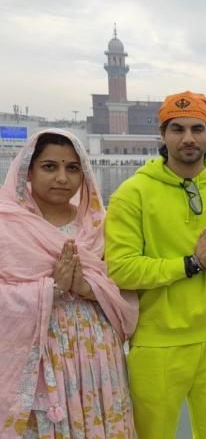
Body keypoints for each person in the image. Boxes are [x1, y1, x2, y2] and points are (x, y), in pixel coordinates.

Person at [105, 91, 206, 438]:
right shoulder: (133, 194)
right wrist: (189, 264)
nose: (188, 138)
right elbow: (122, 268)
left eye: (197, 128)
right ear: (162, 134)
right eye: (177, 129)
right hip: (156, 342)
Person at [0, 129, 138, 437]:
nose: (62, 177)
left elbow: (125, 285)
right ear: (28, 172)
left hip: (97, 353)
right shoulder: (6, 225)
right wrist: (51, 289)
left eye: (72, 168)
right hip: (38, 355)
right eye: (50, 166)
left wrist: (88, 288)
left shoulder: (99, 224)